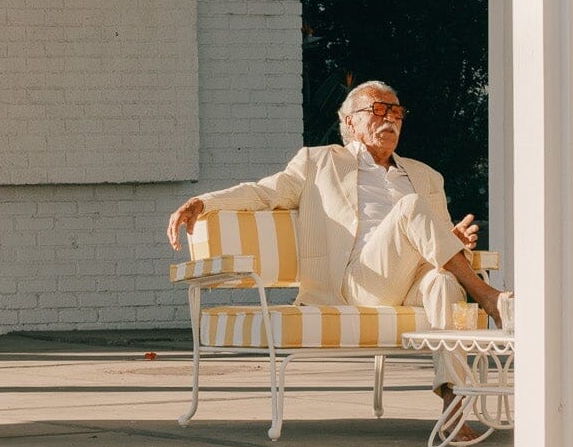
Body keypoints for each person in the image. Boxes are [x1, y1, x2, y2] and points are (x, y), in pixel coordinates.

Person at [167, 81, 505, 399]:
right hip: (357, 283)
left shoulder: (426, 176)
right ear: (350, 122)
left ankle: (454, 399)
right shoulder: (319, 162)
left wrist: (453, 240)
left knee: (444, 280)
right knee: (410, 207)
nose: (390, 118)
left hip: (412, 279)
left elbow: (437, 237)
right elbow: (263, 192)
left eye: (396, 111)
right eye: (378, 109)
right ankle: (488, 297)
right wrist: (205, 202)